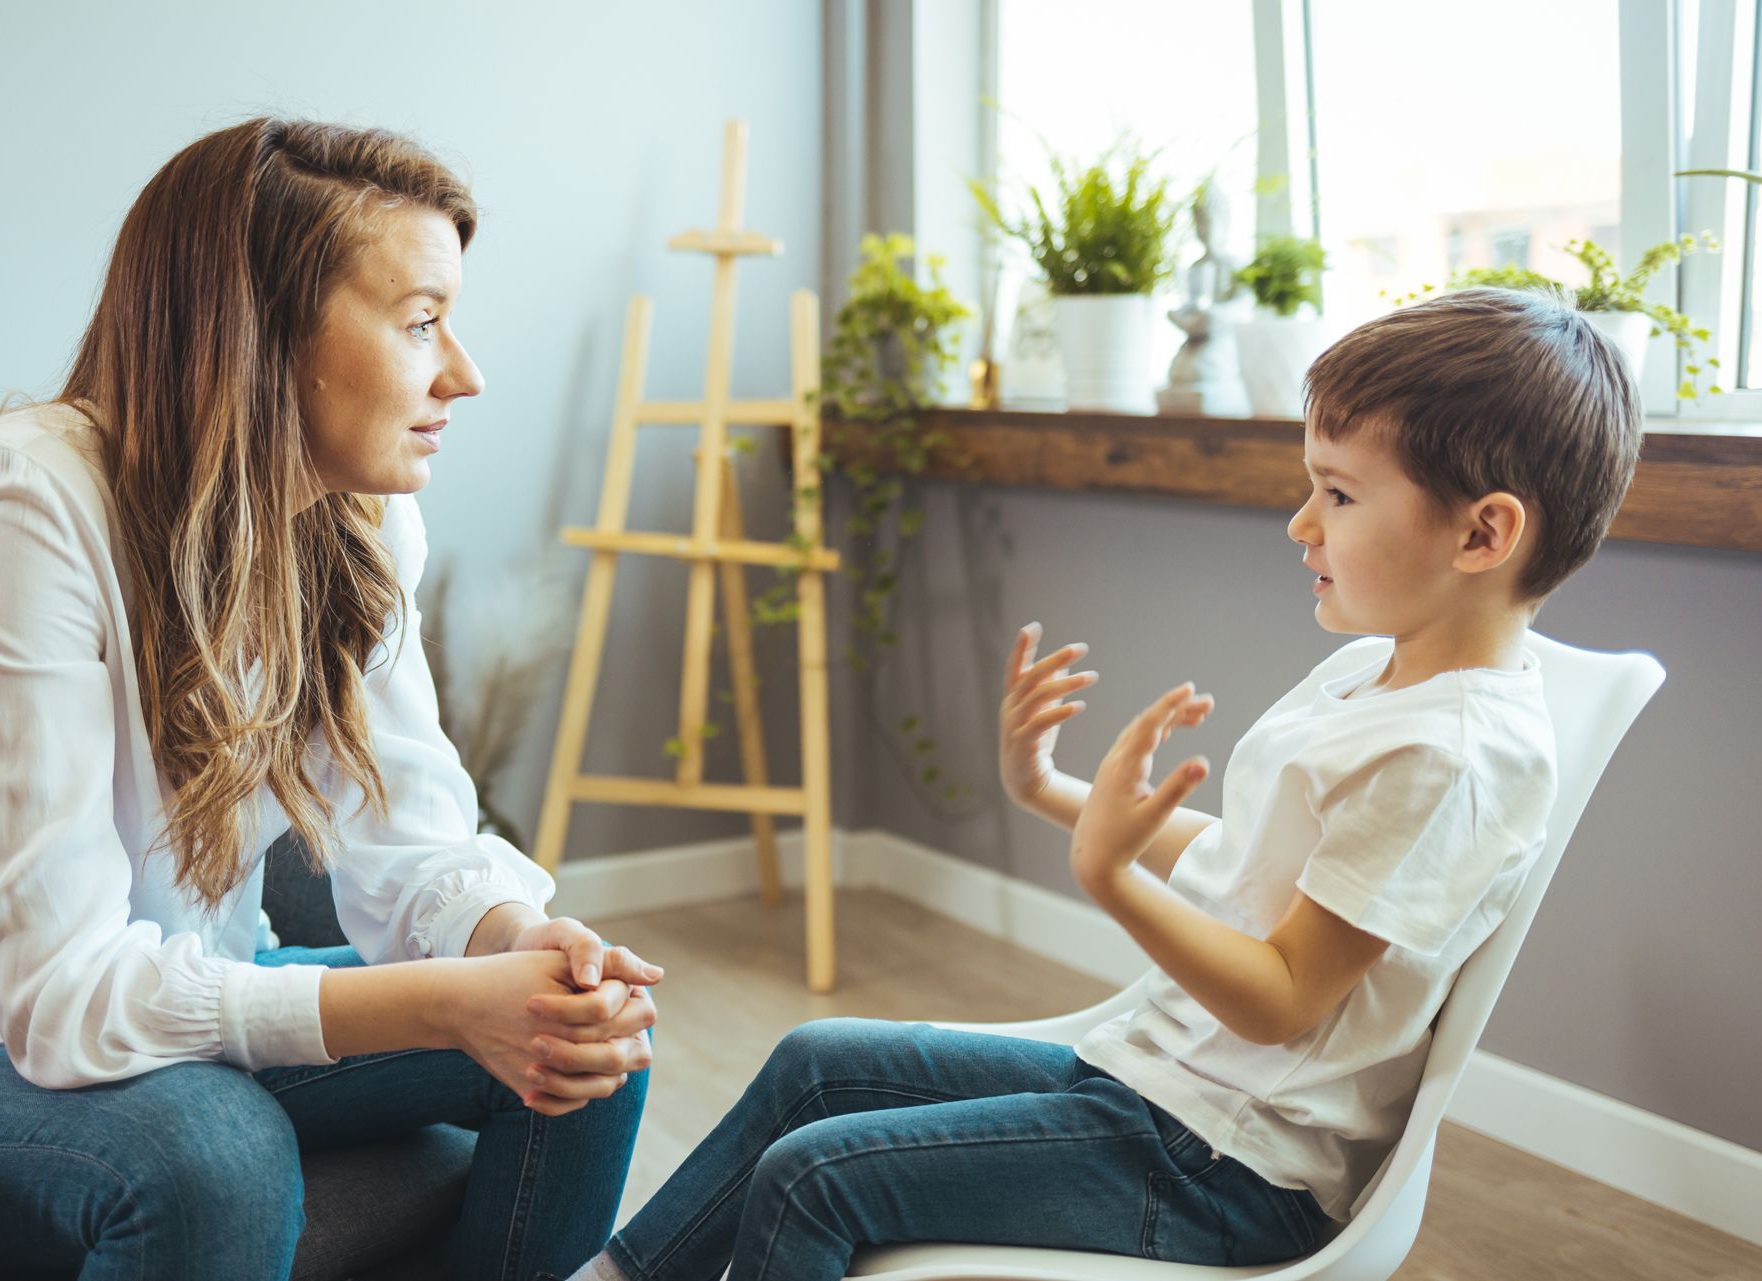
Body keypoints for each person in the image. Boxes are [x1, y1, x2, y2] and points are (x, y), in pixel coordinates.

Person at [569, 287, 1641, 1280]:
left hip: (1226, 1165)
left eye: (1339, 494)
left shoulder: (1453, 757)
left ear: (1485, 532)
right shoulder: (1379, 667)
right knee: (814, 1064)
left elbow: (1281, 998)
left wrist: (1115, 880)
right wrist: (1053, 792)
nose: (1300, 524)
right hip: (1155, 1087)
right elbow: (1254, 872)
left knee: (815, 1178)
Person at [0, 118, 658, 1281]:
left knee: (590, 1031)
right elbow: (66, 997)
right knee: (211, 1154)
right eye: (422, 322)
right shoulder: (28, 508)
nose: (463, 373)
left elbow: (415, 855)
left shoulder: (356, 520)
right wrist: (445, 1003)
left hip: (163, 995)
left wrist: (522, 951)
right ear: (262, 333)